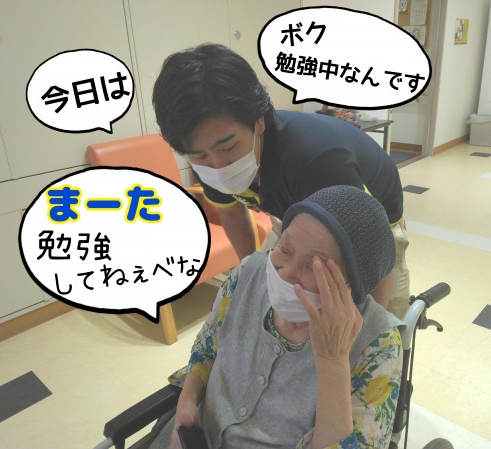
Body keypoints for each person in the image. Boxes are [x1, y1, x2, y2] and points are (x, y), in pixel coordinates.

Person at [152, 43, 410, 318]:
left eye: (228, 147)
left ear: (259, 122)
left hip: (373, 221)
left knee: (376, 318)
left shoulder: (317, 160)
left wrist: (371, 331)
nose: (218, 166)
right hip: (294, 208)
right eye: (199, 155)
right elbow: (233, 215)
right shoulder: (211, 160)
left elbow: (375, 249)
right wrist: (250, 278)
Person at [147, 185, 404, 449]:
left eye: (313, 268)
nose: (284, 273)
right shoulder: (247, 274)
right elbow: (206, 349)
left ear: (350, 288)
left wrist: (333, 360)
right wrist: (188, 402)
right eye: (285, 248)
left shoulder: (378, 344)